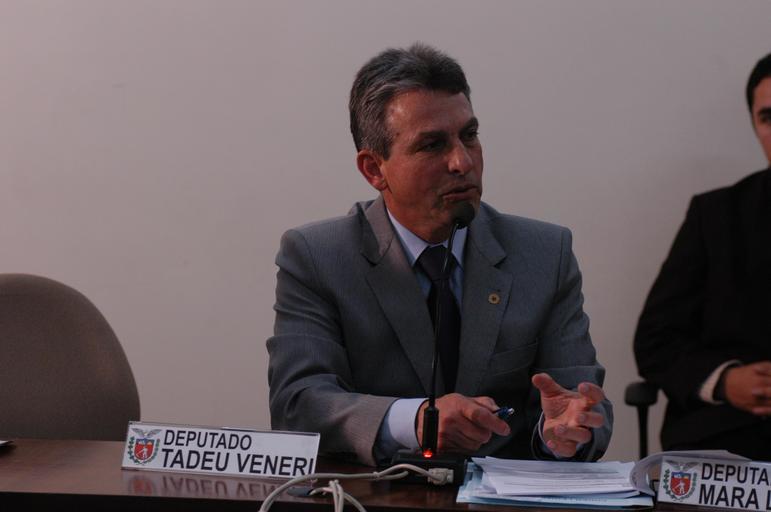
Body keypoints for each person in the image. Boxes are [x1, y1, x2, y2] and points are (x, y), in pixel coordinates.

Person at [267, 43, 612, 466]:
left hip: (504, 494)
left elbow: (580, 399)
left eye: (469, 136)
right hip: (373, 492)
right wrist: (416, 421)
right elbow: (298, 404)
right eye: (432, 145)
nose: (462, 162)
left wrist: (562, 432)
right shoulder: (318, 257)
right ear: (374, 169)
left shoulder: (543, 254)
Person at [634, 53, 771, 460]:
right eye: (768, 118)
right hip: (730, 436)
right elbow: (655, 340)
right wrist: (725, 381)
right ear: (755, 126)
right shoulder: (715, 216)